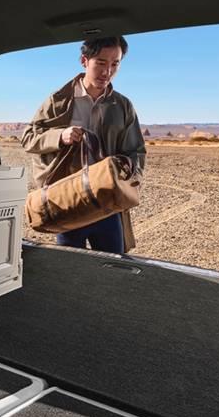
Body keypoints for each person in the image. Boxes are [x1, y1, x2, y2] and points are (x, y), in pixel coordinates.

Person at [21, 35, 146, 254]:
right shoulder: (58, 101)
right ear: (84, 61)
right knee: (71, 267)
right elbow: (29, 137)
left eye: (115, 64)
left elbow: (136, 152)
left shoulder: (122, 106)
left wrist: (127, 177)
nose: (107, 71)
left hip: (107, 203)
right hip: (69, 201)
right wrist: (60, 136)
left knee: (112, 264)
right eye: (101, 63)